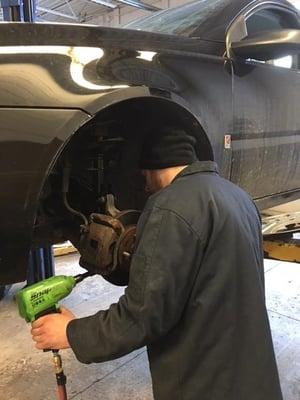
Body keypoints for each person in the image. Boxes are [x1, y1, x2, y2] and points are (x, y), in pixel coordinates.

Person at [31, 127, 283, 400]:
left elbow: (142, 316)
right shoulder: (239, 197)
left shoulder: (168, 207)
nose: (144, 185)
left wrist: (70, 333)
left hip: (205, 386)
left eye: (143, 176)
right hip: (254, 380)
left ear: (150, 168)